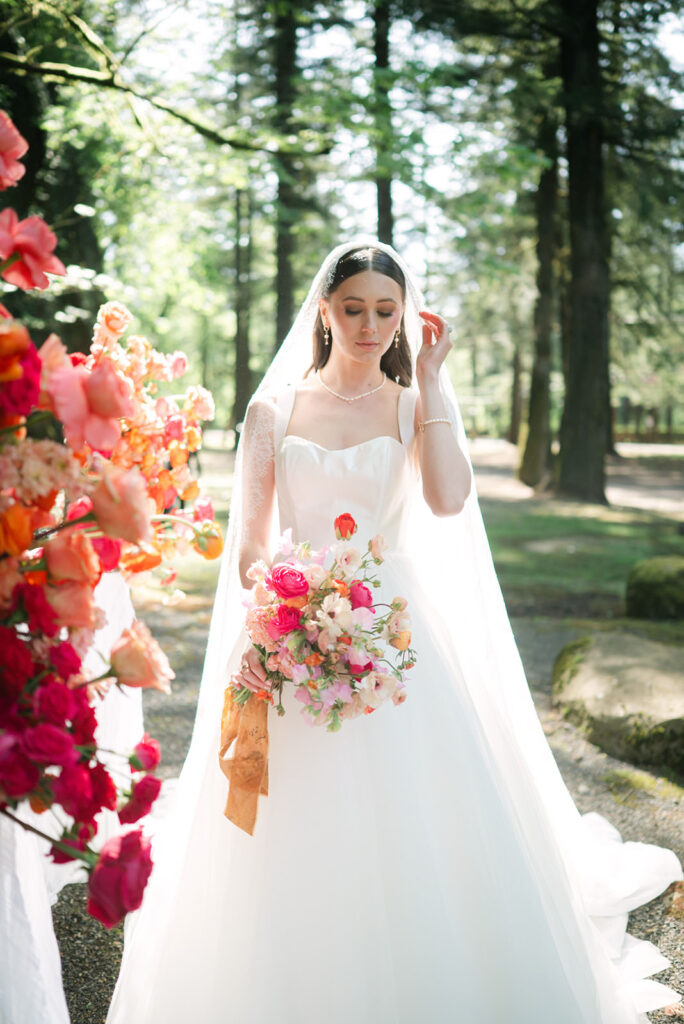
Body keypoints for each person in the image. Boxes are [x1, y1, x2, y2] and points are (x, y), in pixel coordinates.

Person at [107, 240, 682, 1024]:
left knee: (419, 819)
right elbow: (249, 550)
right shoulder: (273, 412)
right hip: (290, 625)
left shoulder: (413, 405)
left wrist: (434, 380)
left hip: (394, 636)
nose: (371, 326)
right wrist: (283, 612)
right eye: (354, 310)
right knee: (288, 825)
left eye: (387, 311)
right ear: (325, 311)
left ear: (404, 317)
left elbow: (448, 499)